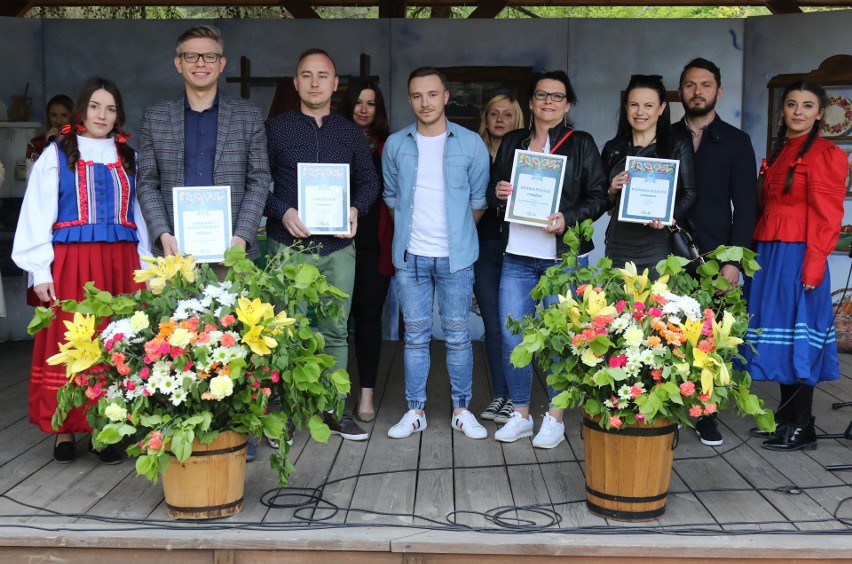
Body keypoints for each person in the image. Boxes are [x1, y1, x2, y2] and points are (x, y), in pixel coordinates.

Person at [13, 77, 150, 464]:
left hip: (120, 265)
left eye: (110, 109)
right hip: (73, 264)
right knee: (69, 341)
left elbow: (139, 217)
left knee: (114, 344)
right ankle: (65, 429)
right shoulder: (56, 155)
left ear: (118, 114)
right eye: (95, 107)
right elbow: (37, 213)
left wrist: (148, 267)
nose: (102, 115)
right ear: (81, 110)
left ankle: (106, 429)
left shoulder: (130, 157)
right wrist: (40, 271)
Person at [265, 49, 379, 441]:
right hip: (286, 247)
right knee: (286, 329)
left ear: (335, 84)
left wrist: (355, 209)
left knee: (335, 330)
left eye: (323, 76)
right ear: (295, 83)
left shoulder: (349, 132)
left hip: (336, 248)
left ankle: (332, 409)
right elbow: (256, 184)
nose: (315, 83)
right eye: (307, 75)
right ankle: (288, 411)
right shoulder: (274, 129)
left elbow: (369, 182)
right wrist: (282, 211)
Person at [491, 70, 609, 448]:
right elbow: (495, 192)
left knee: (562, 338)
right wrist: (500, 191)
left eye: (557, 97)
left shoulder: (581, 144)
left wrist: (567, 219)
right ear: (530, 101)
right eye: (542, 95)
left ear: (568, 103)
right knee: (514, 337)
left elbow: (599, 196)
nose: (548, 102)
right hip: (517, 255)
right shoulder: (512, 142)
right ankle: (521, 414)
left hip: (564, 260)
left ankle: (555, 417)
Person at [383, 67, 490, 440]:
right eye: (416, 95)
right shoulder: (396, 145)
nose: (424, 102)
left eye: (432, 94)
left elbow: (479, 201)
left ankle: (462, 409)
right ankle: (415, 410)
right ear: (409, 99)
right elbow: (392, 197)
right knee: (414, 336)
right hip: (410, 256)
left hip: (455, 258)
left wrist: (456, 236)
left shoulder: (470, 144)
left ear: (445, 97)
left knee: (459, 336)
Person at [744, 80, 848, 452]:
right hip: (773, 251)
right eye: (792, 104)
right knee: (783, 335)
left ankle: (803, 424)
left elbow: (828, 214)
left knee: (799, 336)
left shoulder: (825, 154)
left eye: (807, 105)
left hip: (801, 252)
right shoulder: (781, 151)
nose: (798, 111)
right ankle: (788, 417)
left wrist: (815, 263)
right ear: (783, 110)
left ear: (820, 112)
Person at [673, 58, 758, 447]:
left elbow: (746, 207)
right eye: (690, 85)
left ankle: (706, 414)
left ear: (717, 91)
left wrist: (733, 261)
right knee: (668, 333)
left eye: (705, 85)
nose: (697, 92)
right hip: (668, 250)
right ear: (681, 91)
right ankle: (671, 407)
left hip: (716, 254)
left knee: (709, 339)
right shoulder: (665, 135)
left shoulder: (737, 141)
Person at [136, 24, 271, 265]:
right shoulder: (155, 117)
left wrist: (241, 237)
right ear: (179, 64)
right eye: (191, 56)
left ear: (221, 63)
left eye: (209, 56)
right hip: (173, 256)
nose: (200, 63)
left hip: (232, 255)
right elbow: (147, 183)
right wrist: (162, 234)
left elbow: (259, 180)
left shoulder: (249, 116)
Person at [337, 77, 392, 423]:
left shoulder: (390, 145)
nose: (363, 109)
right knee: (335, 322)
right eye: (358, 102)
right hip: (335, 241)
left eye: (370, 103)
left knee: (369, 319)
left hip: (374, 242)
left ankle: (367, 394)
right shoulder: (331, 140)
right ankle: (332, 393)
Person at [602, 74, 697, 273]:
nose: (640, 112)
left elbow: (690, 192)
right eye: (634, 105)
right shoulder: (614, 148)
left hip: (659, 244)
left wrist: (669, 217)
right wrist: (611, 190)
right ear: (626, 107)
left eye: (648, 105)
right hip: (618, 244)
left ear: (661, 108)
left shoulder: (677, 146)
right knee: (616, 302)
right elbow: (601, 201)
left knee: (656, 302)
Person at [474, 95, 524, 424]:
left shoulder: (526, 153)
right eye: (494, 113)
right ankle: (500, 395)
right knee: (493, 324)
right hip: (482, 245)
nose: (500, 119)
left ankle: (517, 397)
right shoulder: (473, 150)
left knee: (514, 327)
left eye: (508, 114)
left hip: (518, 245)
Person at [26, 94, 73, 162]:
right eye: (54, 115)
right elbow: (32, 170)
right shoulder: (35, 143)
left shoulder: (79, 142)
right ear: (48, 117)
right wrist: (48, 144)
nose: (58, 121)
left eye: (64, 116)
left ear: (72, 117)